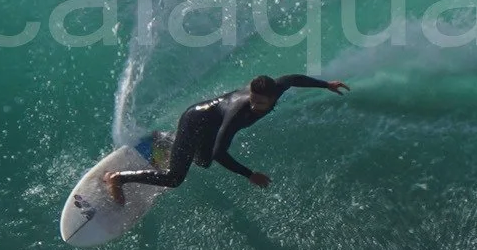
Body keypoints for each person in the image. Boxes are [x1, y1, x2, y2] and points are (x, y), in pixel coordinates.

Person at [107, 74, 347, 202]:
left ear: (274, 96)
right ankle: (117, 178)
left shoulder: (278, 86)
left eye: (260, 103)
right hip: (194, 121)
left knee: (202, 162)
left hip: (210, 125)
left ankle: (165, 139)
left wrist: (326, 84)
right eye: (252, 100)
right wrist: (249, 174)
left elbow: (294, 79)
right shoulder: (237, 113)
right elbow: (219, 153)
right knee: (174, 178)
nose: (254, 105)